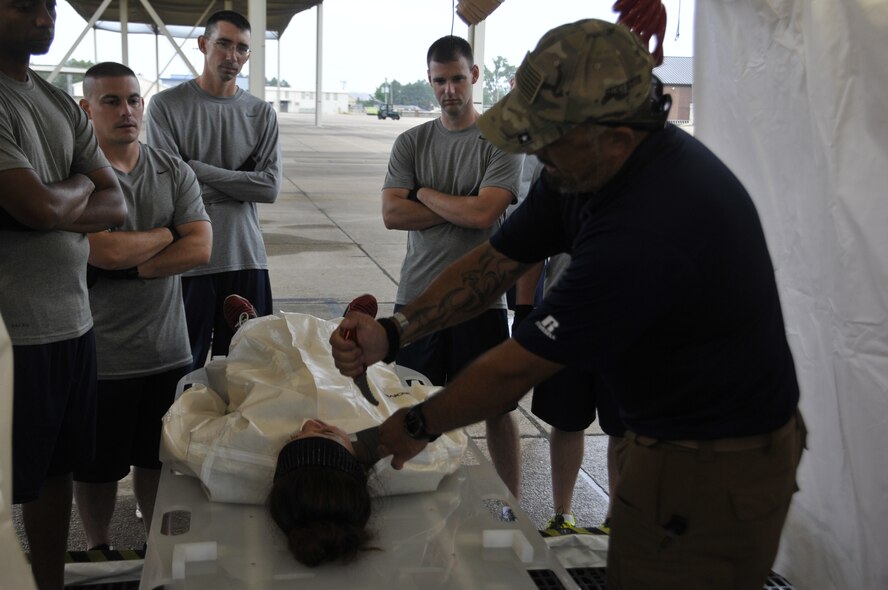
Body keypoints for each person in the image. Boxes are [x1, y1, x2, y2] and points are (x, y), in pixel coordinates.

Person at [331, 19, 805, 590]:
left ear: (617, 134)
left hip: (718, 461)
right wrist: (397, 328)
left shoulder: (649, 226)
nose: (536, 151)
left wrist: (392, 435)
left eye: (548, 136)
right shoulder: (579, 168)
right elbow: (494, 263)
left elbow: (517, 367)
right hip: (661, 432)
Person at [160, 311, 467, 567]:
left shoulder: (233, 455)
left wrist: (217, 401)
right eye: (327, 432)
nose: (310, 423)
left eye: (294, 437)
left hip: (267, 355)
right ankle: (346, 324)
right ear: (357, 467)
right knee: (341, 353)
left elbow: (184, 423)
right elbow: (446, 419)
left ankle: (248, 320)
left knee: (255, 339)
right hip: (342, 375)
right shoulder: (409, 460)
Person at [0, 0, 127, 586]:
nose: (45, 16)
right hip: (12, 335)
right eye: (25, 5)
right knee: (6, 487)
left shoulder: (52, 99)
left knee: (57, 474)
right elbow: (35, 205)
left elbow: (115, 203)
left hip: (73, 325)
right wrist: (72, 191)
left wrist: (62, 197)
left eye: (49, 5)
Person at [71, 62, 212, 550]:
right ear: (86, 108)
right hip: (102, 355)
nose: (126, 110)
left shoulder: (172, 169)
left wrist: (131, 264)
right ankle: (98, 546)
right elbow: (98, 251)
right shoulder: (79, 177)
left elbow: (201, 247)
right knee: (97, 468)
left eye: (133, 99)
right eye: (111, 101)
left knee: (158, 462)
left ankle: (158, 549)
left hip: (167, 350)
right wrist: (170, 232)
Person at [380, 35, 523, 514]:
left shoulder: (500, 143)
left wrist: (422, 192)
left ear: (475, 76)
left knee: (498, 410)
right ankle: (415, 503)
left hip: (481, 299)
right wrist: (457, 205)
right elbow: (391, 214)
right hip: (416, 299)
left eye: (458, 78)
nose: (449, 90)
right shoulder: (411, 141)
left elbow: (485, 214)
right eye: (439, 81)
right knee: (409, 404)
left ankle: (511, 506)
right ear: (430, 81)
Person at [145, 9, 282, 370]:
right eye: (223, 44)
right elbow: (169, 189)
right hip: (189, 262)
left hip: (245, 257)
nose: (232, 56)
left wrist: (196, 169)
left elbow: (268, 188)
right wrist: (239, 184)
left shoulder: (262, 113)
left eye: (241, 48)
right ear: (204, 45)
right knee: (178, 374)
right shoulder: (166, 106)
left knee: (247, 374)